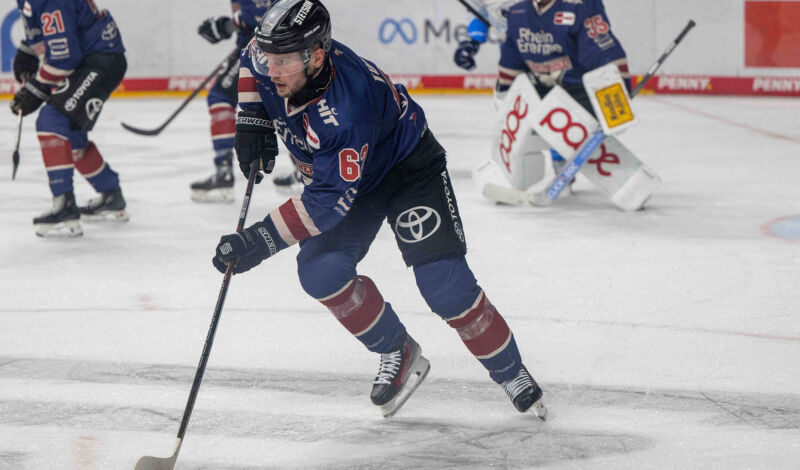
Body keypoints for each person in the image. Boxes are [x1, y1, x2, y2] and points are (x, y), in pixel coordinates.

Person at [211, 0, 547, 419]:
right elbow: (250, 56)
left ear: (317, 57)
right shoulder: (276, 56)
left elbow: (324, 204)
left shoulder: (347, 110)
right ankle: (397, 349)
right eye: (270, 59)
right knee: (320, 272)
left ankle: (511, 371)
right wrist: (252, 116)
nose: (272, 70)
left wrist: (257, 240)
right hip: (346, 176)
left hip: (406, 169)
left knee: (445, 286)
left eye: (283, 62)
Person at [461, 0, 630, 193]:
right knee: (513, 108)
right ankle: (513, 172)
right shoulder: (518, 12)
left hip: (576, 87)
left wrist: (616, 96)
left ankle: (562, 160)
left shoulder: (579, 7)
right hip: (538, 80)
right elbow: (511, 57)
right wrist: (506, 94)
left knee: (562, 114)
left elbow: (603, 52)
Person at [10, 0, 128, 237]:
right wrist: (29, 48)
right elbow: (56, 28)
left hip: (99, 59)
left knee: (52, 121)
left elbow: (65, 59)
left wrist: (36, 89)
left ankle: (65, 206)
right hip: (94, 57)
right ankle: (111, 194)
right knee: (69, 133)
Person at [190, 0, 272, 202]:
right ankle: (306, 169)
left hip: (263, 49)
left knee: (221, 97)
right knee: (285, 107)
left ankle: (223, 172)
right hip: (263, 47)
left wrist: (226, 25)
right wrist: (226, 27)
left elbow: (262, 17)